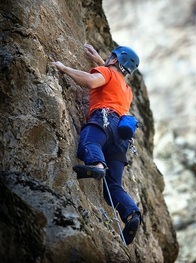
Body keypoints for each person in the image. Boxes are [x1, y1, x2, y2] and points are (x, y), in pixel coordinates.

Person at [52, 44, 141, 245]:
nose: (109, 58)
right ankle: (132, 214)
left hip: (104, 120)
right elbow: (112, 80)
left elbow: (92, 82)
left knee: (88, 142)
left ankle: (97, 166)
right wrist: (101, 61)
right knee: (114, 187)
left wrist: (64, 68)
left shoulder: (107, 72)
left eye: (112, 56)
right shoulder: (127, 90)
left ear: (116, 60)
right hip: (121, 137)